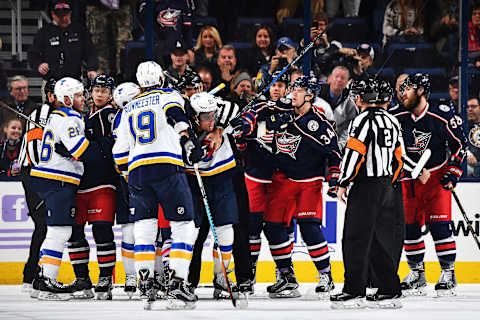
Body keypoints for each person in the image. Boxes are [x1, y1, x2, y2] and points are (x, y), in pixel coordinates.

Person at [112, 61, 203, 308]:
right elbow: (176, 115)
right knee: (183, 224)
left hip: (138, 171)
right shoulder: (168, 96)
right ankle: (178, 283)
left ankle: (146, 282)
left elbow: (119, 153)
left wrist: (128, 172)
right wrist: (187, 140)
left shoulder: (128, 108)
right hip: (167, 168)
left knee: (144, 225)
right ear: (161, 80)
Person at [331, 77, 406, 309]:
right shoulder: (393, 121)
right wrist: (388, 184)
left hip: (365, 186)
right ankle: (389, 289)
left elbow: (355, 154)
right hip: (387, 186)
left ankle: (354, 291)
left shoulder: (362, 120)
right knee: (380, 239)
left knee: (355, 238)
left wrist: (343, 181)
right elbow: (399, 158)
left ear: (360, 98)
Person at [30, 77, 106, 301]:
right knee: (60, 231)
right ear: (66, 99)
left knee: (58, 230)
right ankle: (45, 280)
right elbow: (83, 151)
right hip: (58, 180)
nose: (84, 99)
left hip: (48, 178)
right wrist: (105, 151)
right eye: (79, 96)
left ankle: (42, 278)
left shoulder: (55, 117)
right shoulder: (69, 118)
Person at [394, 73, 467, 296]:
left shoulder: (442, 115)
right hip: (409, 180)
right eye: (402, 89)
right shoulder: (396, 116)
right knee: (410, 227)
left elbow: (460, 145)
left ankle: (448, 272)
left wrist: (453, 173)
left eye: (408, 89)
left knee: (439, 226)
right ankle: (417, 273)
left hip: (436, 180)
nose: (402, 93)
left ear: (422, 91)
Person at [66, 75, 118, 300]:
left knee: (101, 231)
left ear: (111, 94)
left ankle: (105, 279)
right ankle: (82, 279)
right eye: (96, 90)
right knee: (75, 233)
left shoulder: (111, 115)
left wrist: (87, 143)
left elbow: (111, 146)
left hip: (103, 183)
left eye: (104, 91)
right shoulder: (84, 116)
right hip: (80, 185)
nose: (99, 94)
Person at [185, 92, 240, 299]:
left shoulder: (217, 115)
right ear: (194, 118)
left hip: (223, 178)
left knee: (225, 229)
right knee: (191, 233)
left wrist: (219, 129)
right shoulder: (183, 126)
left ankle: (221, 277)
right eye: (206, 117)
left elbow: (234, 110)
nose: (211, 120)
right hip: (193, 181)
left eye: (213, 115)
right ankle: (187, 280)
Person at [17, 79, 56, 293]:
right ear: (51, 95)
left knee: (50, 226)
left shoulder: (58, 116)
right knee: (43, 225)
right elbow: (34, 153)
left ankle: (35, 274)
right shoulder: (40, 115)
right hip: (34, 173)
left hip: (39, 174)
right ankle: (32, 276)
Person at [112, 81, 141, 297]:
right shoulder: (124, 117)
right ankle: (132, 275)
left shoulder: (126, 114)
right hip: (131, 178)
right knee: (131, 230)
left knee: (148, 230)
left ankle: (145, 276)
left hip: (139, 175)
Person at [28, 0, 98, 83]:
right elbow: (33, 54)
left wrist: (91, 68)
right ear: (53, 15)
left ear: (70, 13)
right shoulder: (44, 32)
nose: (63, 19)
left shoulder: (80, 30)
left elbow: (90, 52)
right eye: (59, 16)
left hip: (74, 79)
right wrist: (39, 65)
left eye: (65, 15)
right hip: (51, 80)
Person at [85, 0, 133, 76]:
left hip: (122, 6)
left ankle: (121, 74)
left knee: (122, 43)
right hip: (96, 7)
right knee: (98, 42)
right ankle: (102, 77)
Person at [467, 97, 480, 177]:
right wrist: (468, 154)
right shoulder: (462, 126)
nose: (470, 109)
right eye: (468, 107)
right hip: (470, 166)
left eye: (473, 106)